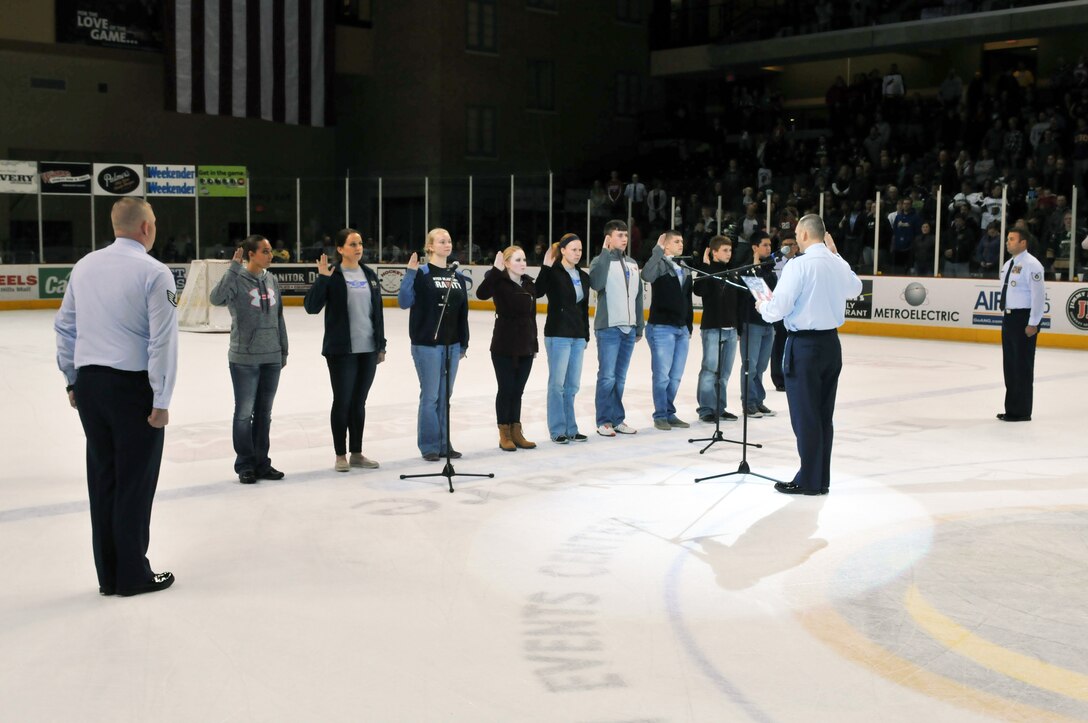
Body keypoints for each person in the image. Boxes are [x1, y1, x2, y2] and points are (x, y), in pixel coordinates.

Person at [54, 197, 178, 596]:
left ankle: (109, 573)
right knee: (135, 483)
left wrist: (72, 379)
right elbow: (162, 342)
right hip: (132, 388)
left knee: (104, 478)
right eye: (153, 222)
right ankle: (132, 574)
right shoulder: (154, 272)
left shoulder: (84, 266)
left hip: (90, 385)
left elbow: (65, 327)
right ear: (145, 227)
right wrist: (161, 399)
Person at [755, 214, 863, 495]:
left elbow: (778, 309)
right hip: (830, 345)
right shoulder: (835, 263)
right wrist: (838, 256)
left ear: (802, 235)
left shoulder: (798, 265)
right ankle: (818, 477)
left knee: (805, 416)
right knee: (823, 415)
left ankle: (810, 481)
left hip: (804, 347)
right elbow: (856, 288)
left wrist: (762, 306)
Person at [304, 228, 386, 472]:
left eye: (360, 243)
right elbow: (311, 307)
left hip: (368, 349)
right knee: (342, 402)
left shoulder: (369, 274)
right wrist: (322, 279)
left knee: (359, 403)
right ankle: (341, 455)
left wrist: (380, 345)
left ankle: (357, 453)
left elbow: (377, 314)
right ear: (340, 249)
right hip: (342, 351)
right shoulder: (333, 274)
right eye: (352, 244)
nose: (358, 248)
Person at [209, 235, 289, 484]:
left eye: (270, 250)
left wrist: (283, 350)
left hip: (271, 356)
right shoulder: (237, 279)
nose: (270, 255)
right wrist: (233, 267)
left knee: (264, 413)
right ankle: (245, 463)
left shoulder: (272, 279)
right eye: (265, 251)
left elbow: (279, 317)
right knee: (244, 413)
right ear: (250, 254)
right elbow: (216, 298)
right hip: (244, 358)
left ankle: (262, 462)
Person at [398, 228, 470, 461]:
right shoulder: (422, 273)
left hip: (452, 345)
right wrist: (410, 273)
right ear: (430, 247)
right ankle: (429, 445)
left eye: (449, 241)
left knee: (444, 396)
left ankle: (444, 444)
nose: (447, 244)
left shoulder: (456, 276)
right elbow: (404, 301)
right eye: (441, 241)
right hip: (427, 345)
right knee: (431, 397)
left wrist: (463, 344)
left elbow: (462, 313)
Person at [476, 246, 545, 450]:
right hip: (504, 345)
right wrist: (496, 271)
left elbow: (532, 316)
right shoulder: (498, 281)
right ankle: (504, 433)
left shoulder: (529, 283)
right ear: (506, 263)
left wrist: (534, 344)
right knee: (506, 389)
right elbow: (481, 294)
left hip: (525, 345)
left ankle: (516, 431)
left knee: (518, 391)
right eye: (517, 260)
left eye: (524, 259)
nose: (523, 263)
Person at [588, 219, 644, 437]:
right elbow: (596, 284)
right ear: (608, 238)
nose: (624, 239)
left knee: (619, 378)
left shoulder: (632, 262)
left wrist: (639, 325)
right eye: (619, 235)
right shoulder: (599, 261)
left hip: (629, 329)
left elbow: (638, 297)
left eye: (626, 235)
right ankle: (603, 421)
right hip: (609, 328)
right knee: (607, 377)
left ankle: (617, 419)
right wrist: (603, 254)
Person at [535, 233, 591, 443]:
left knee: (572, 385)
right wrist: (546, 267)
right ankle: (558, 429)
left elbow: (583, 309)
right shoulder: (553, 272)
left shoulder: (583, 277)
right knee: (557, 384)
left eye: (580, 249)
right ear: (564, 250)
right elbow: (538, 292)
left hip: (577, 336)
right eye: (574, 249)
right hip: (558, 334)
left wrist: (585, 335)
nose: (577, 253)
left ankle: (571, 428)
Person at [641, 230, 693, 430]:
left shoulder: (684, 266)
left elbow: (687, 298)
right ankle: (660, 414)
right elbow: (646, 275)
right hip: (662, 327)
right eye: (677, 241)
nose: (681, 244)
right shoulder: (659, 264)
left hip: (680, 329)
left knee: (676, 375)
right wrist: (657, 251)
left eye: (682, 241)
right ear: (666, 245)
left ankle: (669, 412)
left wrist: (687, 325)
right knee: (662, 375)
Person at [997, 228, 1046, 422]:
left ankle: (1022, 411)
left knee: (1022, 366)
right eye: (1008, 239)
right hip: (1009, 318)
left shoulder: (1032, 265)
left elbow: (1038, 296)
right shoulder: (1008, 264)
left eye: (1011, 239)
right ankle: (1012, 408)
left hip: (1023, 319)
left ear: (1023, 243)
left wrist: (1033, 322)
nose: (1007, 242)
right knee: (1010, 366)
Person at [692, 235, 740, 423]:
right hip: (713, 327)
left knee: (725, 373)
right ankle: (706, 409)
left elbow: (738, 301)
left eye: (730, 250)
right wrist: (705, 267)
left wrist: (739, 328)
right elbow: (699, 291)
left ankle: (720, 408)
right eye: (725, 250)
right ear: (714, 252)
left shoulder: (732, 271)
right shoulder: (708, 271)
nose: (729, 254)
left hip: (731, 329)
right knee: (710, 369)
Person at [739, 232, 778, 418]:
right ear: (754, 247)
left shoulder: (769, 268)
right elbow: (759, 291)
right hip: (752, 323)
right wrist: (755, 267)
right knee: (751, 365)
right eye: (764, 245)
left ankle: (758, 401)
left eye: (770, 245)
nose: (769, 248)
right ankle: (748, 403)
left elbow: (773, 292)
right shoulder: (747, 268)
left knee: (761, 366)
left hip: (767, 324)